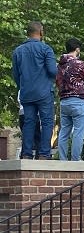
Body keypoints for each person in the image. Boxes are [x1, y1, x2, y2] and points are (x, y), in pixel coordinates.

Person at [12, 21, 57, 159]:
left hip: (26, 92)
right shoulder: (46, 49)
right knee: (47, 121)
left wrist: (23, 86)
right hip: (44, 92)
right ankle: (44, 153)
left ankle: (26, 154)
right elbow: (53, 71)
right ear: (41, 32)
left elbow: (16, 74)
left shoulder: (18, 51)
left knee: (29, 122)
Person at [56, 37, 84, 161]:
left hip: (64, 101)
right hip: (78, 100)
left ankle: (62, 159)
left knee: (64, 132)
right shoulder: (79, 64)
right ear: (77, 49)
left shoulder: (60, 65)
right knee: (78, 132)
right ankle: (75, 160)